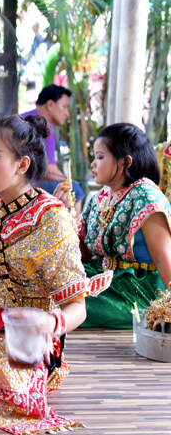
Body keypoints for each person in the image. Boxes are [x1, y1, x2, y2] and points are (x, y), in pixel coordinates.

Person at [0, 114, 109, 435]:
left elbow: (78, 309)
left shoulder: (51, 219)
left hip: (31, 334)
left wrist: (47, 326)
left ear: (21, 165)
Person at [67, 124, 171, 329]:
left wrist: (168, 306)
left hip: (138, 289)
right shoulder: (101, 196)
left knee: (66, 301)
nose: (92, 164)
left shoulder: (146, 195)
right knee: (51, 288)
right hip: (102, 276)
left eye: (99, 156)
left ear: (125, 162)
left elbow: (163, 257)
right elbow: (84, 252)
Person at [21, 84, 83, 214]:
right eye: (65, 106)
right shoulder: (44, 126)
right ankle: (74, 231)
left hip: (14, 181)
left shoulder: (23, 117)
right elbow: (49, 171)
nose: (67, 113)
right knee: (75, 189)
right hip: (22, 184)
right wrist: (70, 181)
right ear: (50, 104)